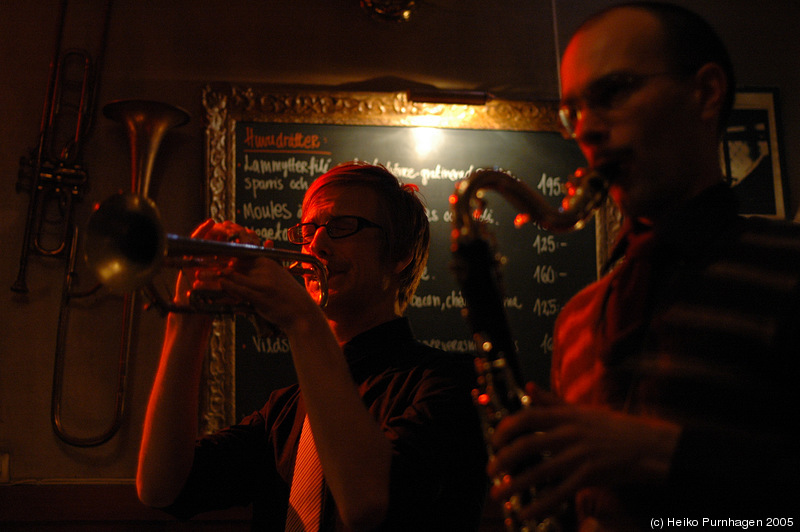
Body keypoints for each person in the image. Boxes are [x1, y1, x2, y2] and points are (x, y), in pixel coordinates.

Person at [487, 3, 799, 530]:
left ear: (706, 93)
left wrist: (664, 454)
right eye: (573, 112)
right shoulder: (579, 317)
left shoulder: (789, 265)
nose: (585, 130)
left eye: (613, 93)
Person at [136, 161, 487, 531]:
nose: (316, 244)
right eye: (309, 230)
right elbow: (161, 487)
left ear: (400, 254)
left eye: (340, 227)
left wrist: (303, 321)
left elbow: (368, 503)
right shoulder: (285, 410)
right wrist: (187, 317)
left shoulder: (456, 383)